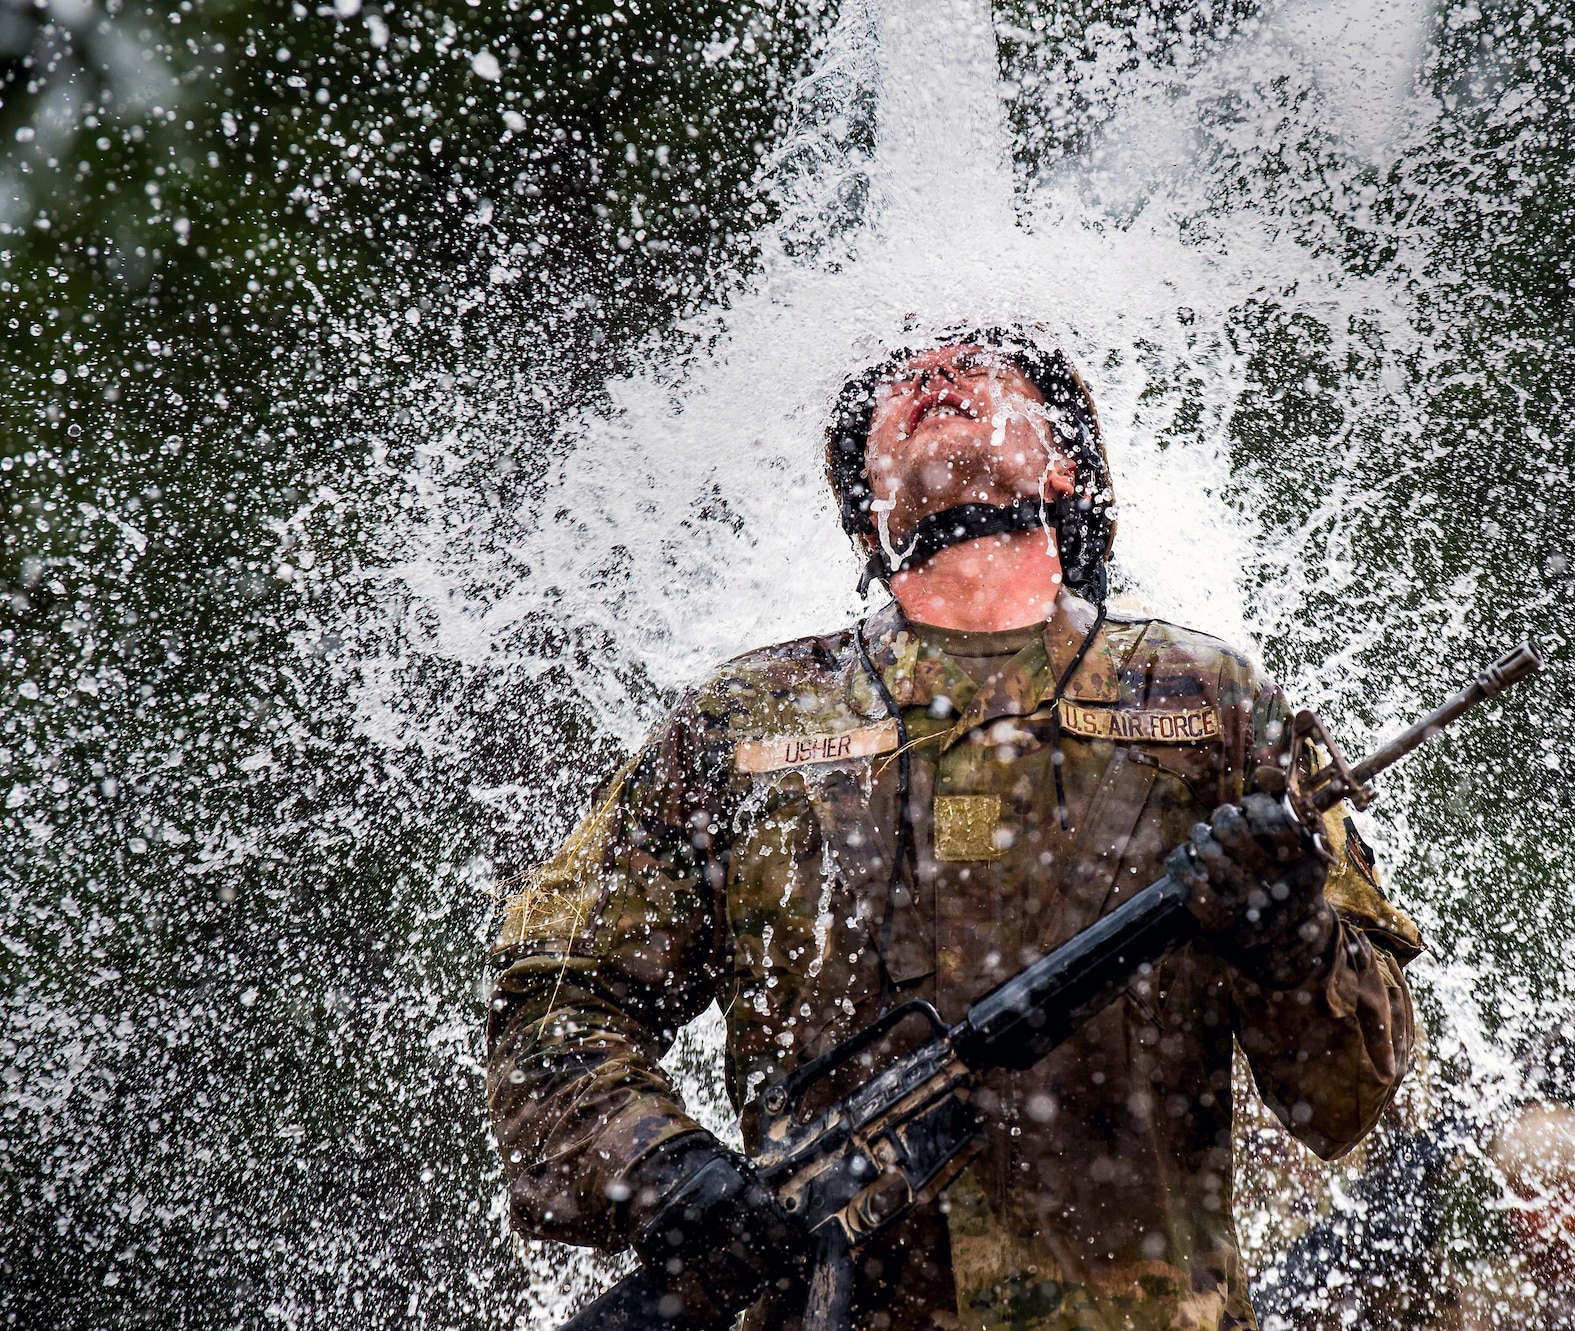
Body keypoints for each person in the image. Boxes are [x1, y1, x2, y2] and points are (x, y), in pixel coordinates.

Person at [485, 329, 1425, 1331]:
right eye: (896, 383)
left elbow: (1351, 1088)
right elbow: (557, 998)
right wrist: (661, 1168)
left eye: (982, 365)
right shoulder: (743, 721)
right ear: (863, 512)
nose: (931, 376)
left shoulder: (1211, 705)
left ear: (1066, 466)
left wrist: (1283, 932)